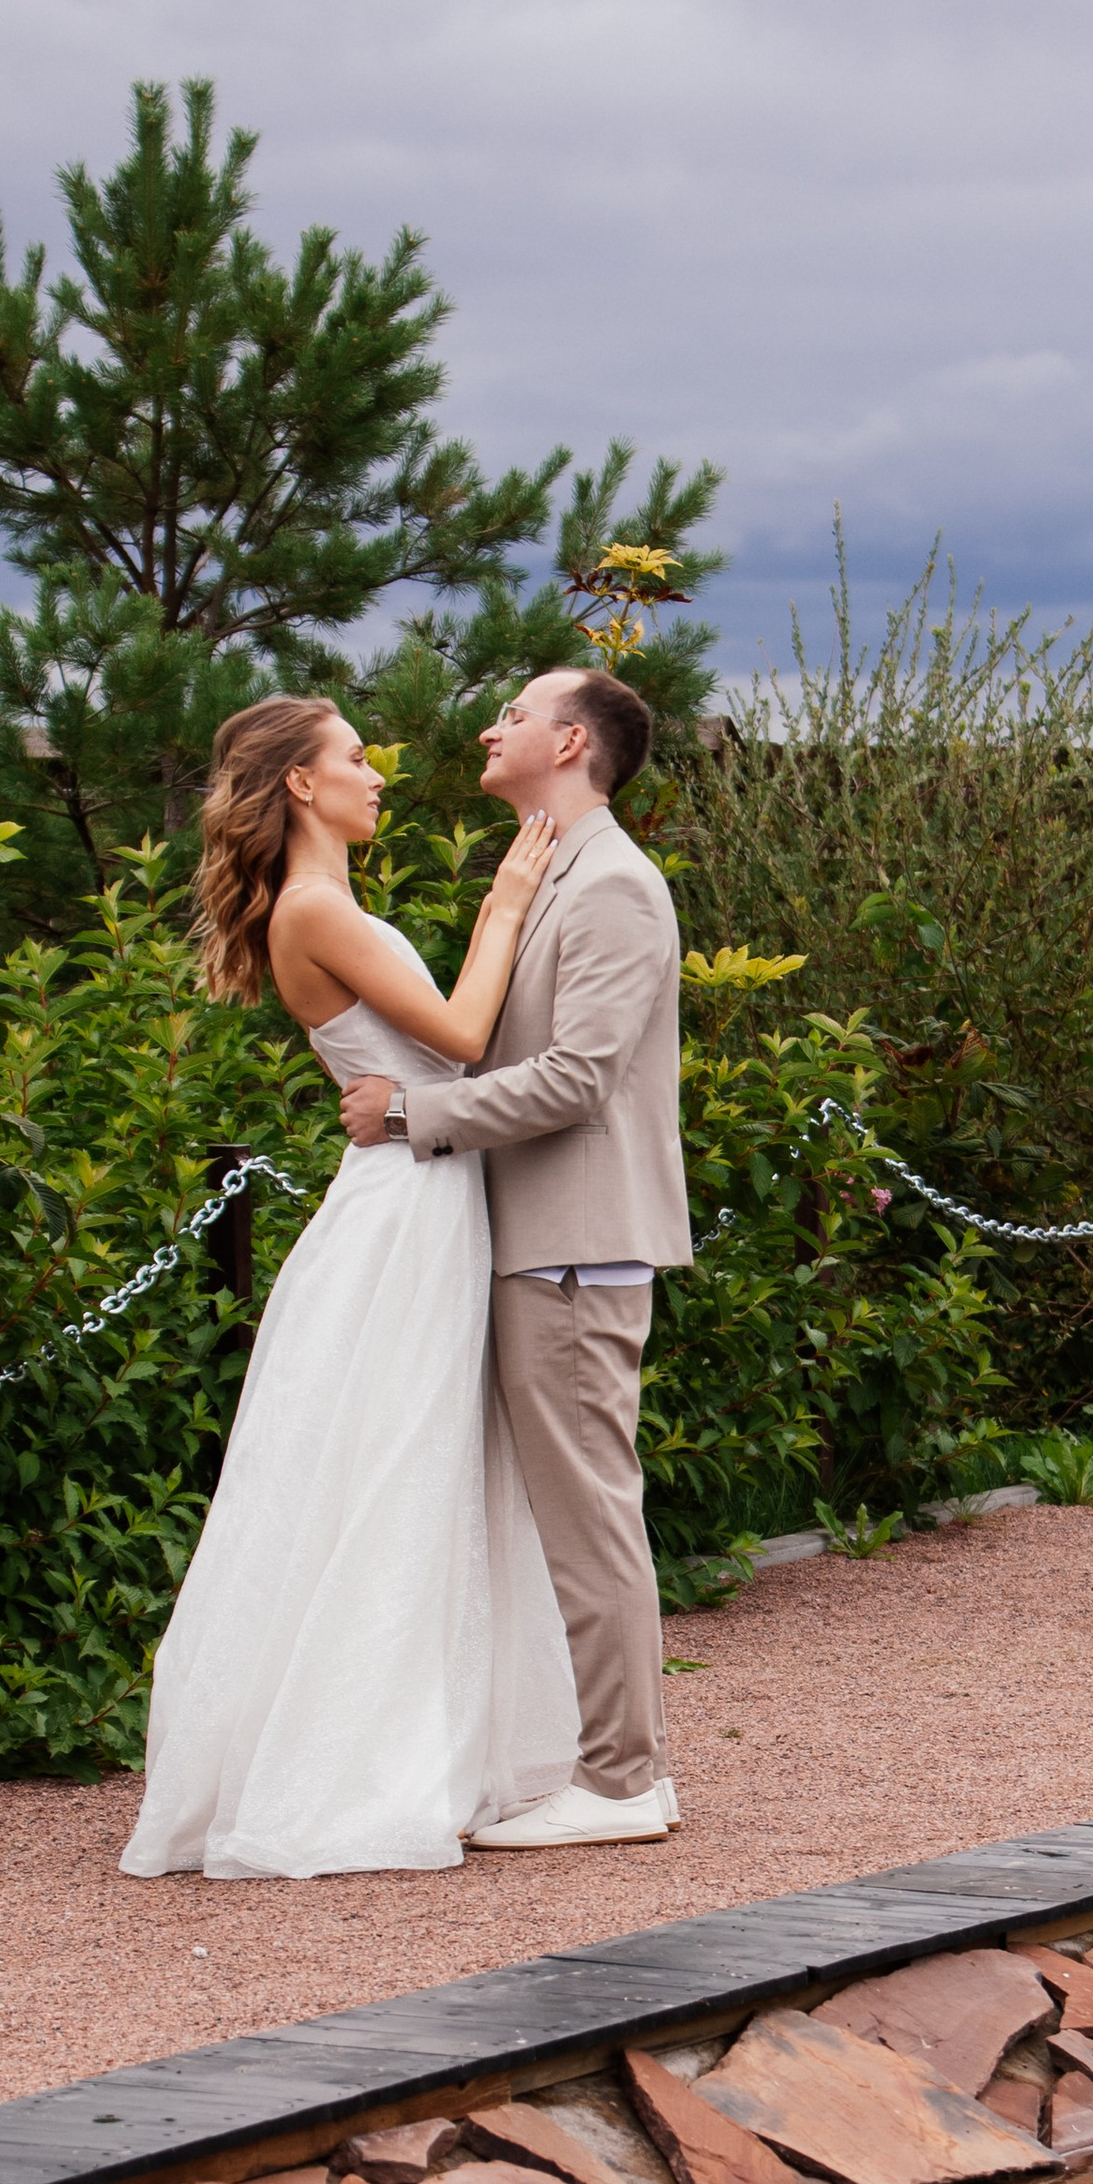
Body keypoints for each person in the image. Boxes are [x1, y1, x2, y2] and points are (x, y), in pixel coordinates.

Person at [120, 697, 580, 1880]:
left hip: (417, 1199)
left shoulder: (322, 906)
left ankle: (425, 1736)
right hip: (407, 1216)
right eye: (356, 761)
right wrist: (507, 903)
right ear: (302, 788)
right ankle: (354, 1763)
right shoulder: (319, 910)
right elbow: (468, 1037)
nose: (378, 776)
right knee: (396, 1464)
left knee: (397, 1463)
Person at [337, 667, 692, 1850]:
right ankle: (604, 1767)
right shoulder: (554, 873)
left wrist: (408, 1118)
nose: (491, 729)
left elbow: (579, 1078)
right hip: (537, 1244)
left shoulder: (615, 888)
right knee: (572, 1514)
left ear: (572, 741)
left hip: (576, 1247)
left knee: (590, 1517)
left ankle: (623, 1782)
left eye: (516, 714)